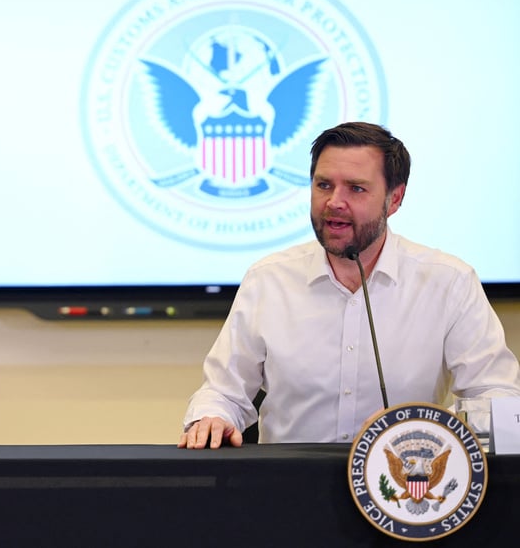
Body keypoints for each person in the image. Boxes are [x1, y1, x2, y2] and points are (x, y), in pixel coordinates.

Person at [179, 121, 520, 449]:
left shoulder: (449, 282)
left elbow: (498, 399)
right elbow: (223, 392)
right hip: (287, 494)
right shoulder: (269, 279)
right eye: (324, 185)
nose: (334, 202)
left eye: (356, 188)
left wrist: (434, 428)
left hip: (408, 495)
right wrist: (212, 417)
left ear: (395, 199)